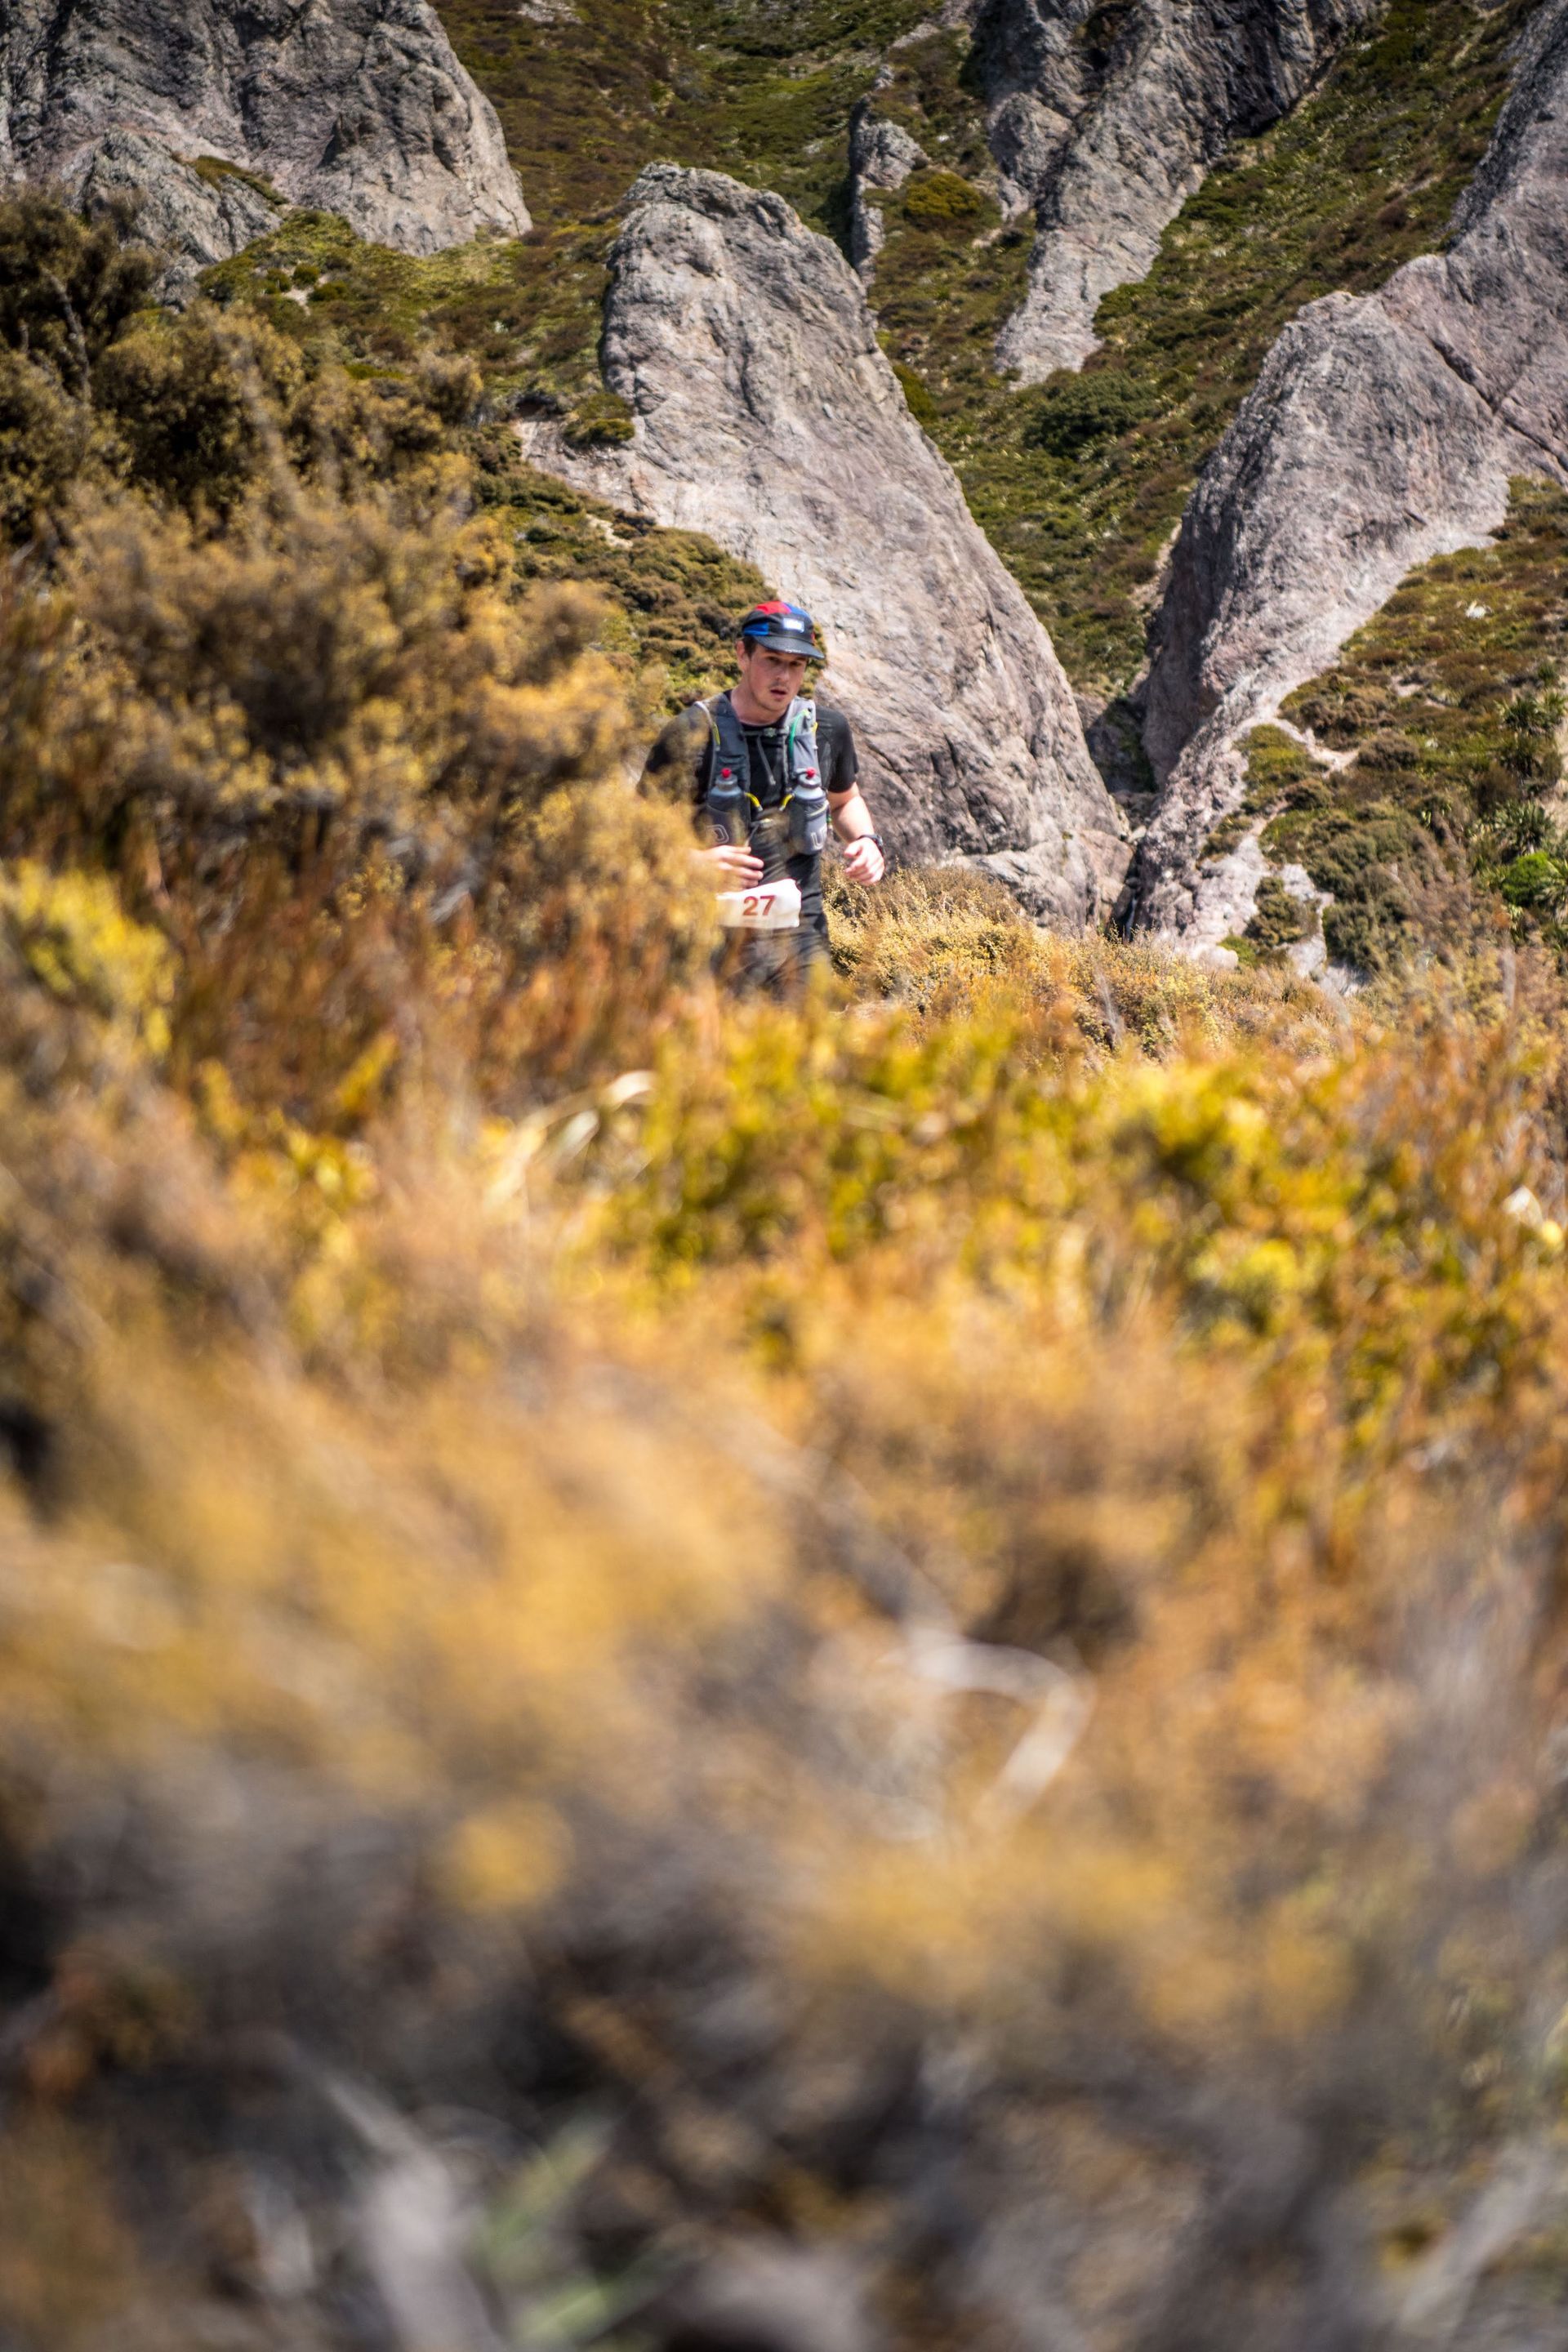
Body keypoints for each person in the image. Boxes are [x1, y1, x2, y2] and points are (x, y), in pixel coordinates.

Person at [640, 600, 885, 983]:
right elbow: (634, 833)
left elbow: (845, 801)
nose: (783, 677)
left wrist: (867, 841)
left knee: (802, 1042)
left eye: (795, 665)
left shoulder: (828, 729)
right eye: (772, 660)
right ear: (743, 654)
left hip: (800, 941)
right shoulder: (690, 733)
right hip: (705, 942)